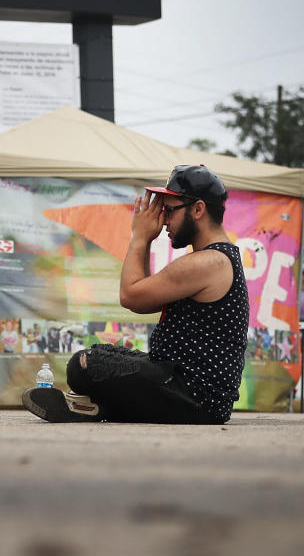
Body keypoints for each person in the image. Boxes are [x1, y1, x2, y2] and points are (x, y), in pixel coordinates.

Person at [23, 165, 249, 424]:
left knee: (84, 364)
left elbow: (130, 296)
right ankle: (96, 406)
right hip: (188, 388)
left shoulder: (209, 262)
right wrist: (147, 241)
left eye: (169, 210)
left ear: (198, 209)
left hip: (193, 395)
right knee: (99, 357)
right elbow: (144, 300)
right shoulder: (216, 259)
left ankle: (99, 406)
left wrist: (139, 237)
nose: (163, 220)